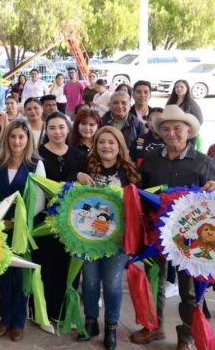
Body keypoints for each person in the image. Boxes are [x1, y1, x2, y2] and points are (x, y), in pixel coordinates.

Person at [130, 105, 215, 350]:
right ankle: (153, 326)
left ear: (189, 131)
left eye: (177, 128)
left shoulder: (204, 162)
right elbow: (141, 193)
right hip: (156, 233)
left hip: (190, 239)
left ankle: (186, 335)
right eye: (166, 129)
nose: (171, 133)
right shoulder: (150, 160)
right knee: (153, 281)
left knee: (189, 290)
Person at [75, 126, 140, 350]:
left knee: (112, 284)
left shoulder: (129, 172)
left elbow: (138, 206)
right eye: (102, 142)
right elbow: (66, 185)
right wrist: (77, 176)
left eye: (111, 142)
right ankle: (90, 321)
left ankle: (111, 325)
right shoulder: (86, 166)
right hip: (88, 238)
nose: (106, 146)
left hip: (117, 240)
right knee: (90, 281)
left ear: (119, 145)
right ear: (95, 145)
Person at [0, 120, 46, 342]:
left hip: (24, 228)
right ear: (7, 139)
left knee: (21, 275)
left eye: (21, 137)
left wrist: (18, 221)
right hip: (0, 226)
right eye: (13, 136)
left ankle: (18, 321)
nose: (16, 141)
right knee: (4, 275)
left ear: (28, 139)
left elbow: (40, 199)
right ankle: (4, 318)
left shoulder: (36, 164)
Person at [36, 112, 83, 323]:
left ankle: (64, 311)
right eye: (52, 128)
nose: (57, 132)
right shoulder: (37, 154)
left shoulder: (78, 155)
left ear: (68, 129)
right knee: (47, 265)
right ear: (46, 130)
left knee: (68, 266)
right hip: (45, 220)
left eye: (61, 127)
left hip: (72, 222)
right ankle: (43, 312)